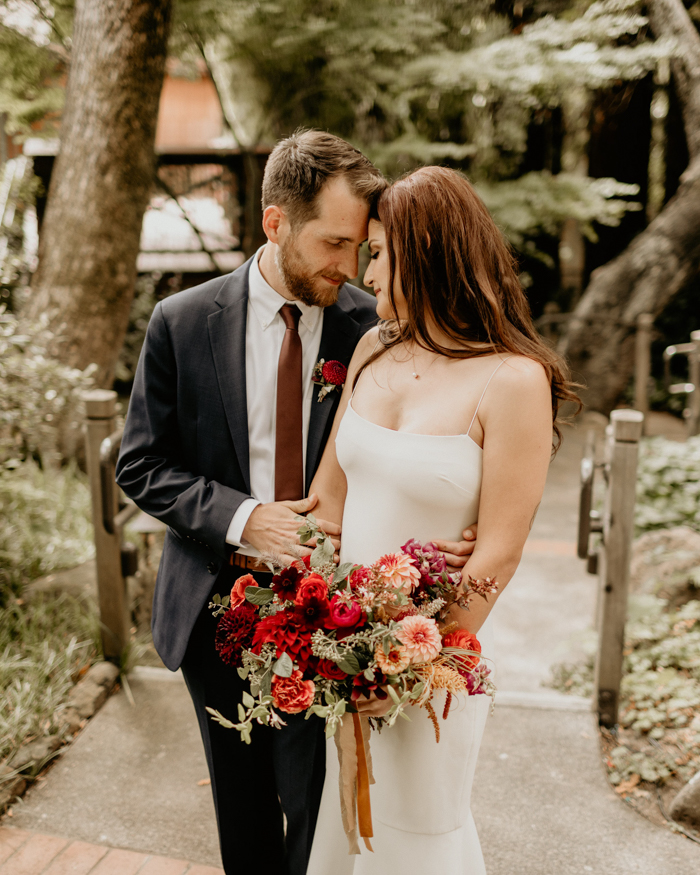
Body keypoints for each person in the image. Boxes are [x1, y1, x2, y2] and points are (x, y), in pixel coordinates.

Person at [116, 132, 478, 875]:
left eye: (361, 248)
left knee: (322, 819)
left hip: (333, 622)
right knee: (242, 819)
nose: (350, 267)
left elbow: (414, 442)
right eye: (335, 243)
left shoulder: (373, 330)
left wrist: (450, 526)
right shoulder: (180, 323)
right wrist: (244, 517)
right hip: (214, 606)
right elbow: (142, 463)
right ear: (275, 222)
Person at [305, 165, 580, 874]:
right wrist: (326, 637)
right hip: (342, 651)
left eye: (380, 250)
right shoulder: (372, 347)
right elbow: (328, 500)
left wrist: (402, 666)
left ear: (426, 256)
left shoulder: (512, 380)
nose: (368, 268)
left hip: (429, 669)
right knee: (344, 832)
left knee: (416, 839)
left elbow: (498, 555)